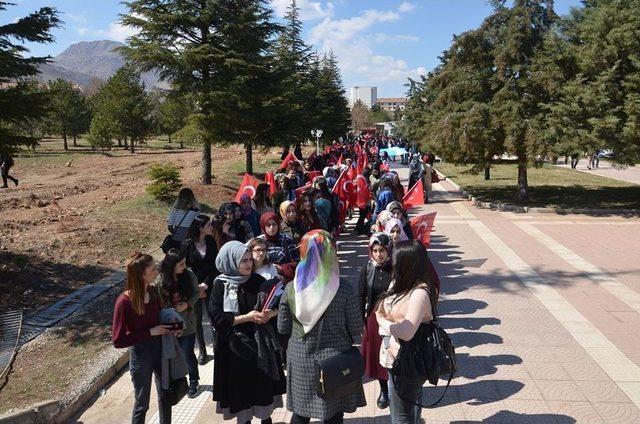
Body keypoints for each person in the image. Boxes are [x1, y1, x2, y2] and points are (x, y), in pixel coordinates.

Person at [278, 230, 366, 424]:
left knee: (301, 414)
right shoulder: (342, 287)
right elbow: (356, 327)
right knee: (334, 414)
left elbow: (282, 327)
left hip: (301, 358)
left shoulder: (292, 288)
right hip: (336, 360)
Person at [208, 241, 285, 424]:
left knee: (262, 395)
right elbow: (217, 318)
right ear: (231, 261)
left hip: (259, 348)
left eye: (250, 259)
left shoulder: (258, 281)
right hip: (234, 351)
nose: (248, 264)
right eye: (243, 260)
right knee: (241, 398)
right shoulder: (221, 284)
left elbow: (277, 305)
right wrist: (247, 318)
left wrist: (270, 314)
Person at [376, 241, 437, 424]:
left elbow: (407, 331)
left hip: (408, 361)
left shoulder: (420, 293)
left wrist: (382, 321)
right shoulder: (399, 283)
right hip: (395, 357)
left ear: (407, 264)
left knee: (401, 417)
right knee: (411, 406)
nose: (392, 263)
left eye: (396, 260)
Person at [112, 252, 172, 424]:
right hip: (141, 357)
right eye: (153, 269)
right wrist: (150, 333)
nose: (157, 272)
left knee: (165, 397)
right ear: (141, 274)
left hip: (160, 352)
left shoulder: (153, 291)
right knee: (142, 404)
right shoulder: (123, 302)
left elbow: (160, 317)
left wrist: (172, 326)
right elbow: (118, 340)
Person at [159, 249, 201, 397]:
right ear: (171, 266)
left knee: (187, 352)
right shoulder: (162, 280)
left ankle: (194, 380)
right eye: (181, 264)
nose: (184, 266)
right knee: (172, 353)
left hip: (188, 323)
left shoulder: (189, 275)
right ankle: (176, 381)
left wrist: (187, 304)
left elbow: (197, 293)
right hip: (170, 324)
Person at [358, 233, 393, 409]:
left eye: (382, 250)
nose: (379, 254)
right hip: (373, 319)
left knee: (392, 353)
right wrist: (360, 322)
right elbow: (360, 295)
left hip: (392, 319)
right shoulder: (368, 269)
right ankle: (384, 390)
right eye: (375, 250)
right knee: (378, 357)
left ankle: (395, 386)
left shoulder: (396, 269)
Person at [182, 214, 220, 364]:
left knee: (213, 317)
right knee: (197, 320)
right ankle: (202, 351)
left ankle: (217, 347)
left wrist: (205, 284)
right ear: (200, 228)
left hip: (209, 285)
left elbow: (215, 266)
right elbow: (184, 268)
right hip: (193, 287)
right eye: (209, 225)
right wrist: (196, 287)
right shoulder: (187, 245)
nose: (212, 227)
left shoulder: (211, 241)